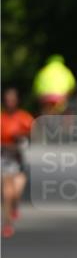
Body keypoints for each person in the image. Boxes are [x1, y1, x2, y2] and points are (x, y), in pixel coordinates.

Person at [1, 87, 34, 238]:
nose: (10, 103)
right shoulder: (1, 118)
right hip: (4, 159)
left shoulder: (24, 117)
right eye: (7, 100)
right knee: (7, 193)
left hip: (19, 160)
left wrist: (22, 136)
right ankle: (7, 224)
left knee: (16, 192)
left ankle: (15, 206)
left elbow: (34, 134)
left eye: (12, 100)